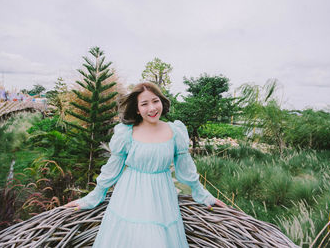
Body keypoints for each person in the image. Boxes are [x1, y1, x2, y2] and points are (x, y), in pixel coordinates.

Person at [65, 81, 226, 247]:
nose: (152, 108)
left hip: (162, 197)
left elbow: (186, 169)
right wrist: (94, 196)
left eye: (155, 101)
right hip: (129, 195)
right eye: (144, 104)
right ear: (137, 108)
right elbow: (112, 170)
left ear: (161, 101)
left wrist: (202, 194)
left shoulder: (175, 132)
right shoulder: (126, 133)